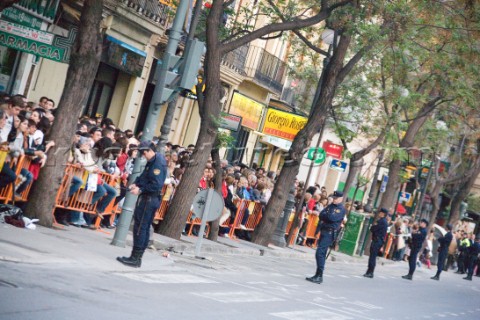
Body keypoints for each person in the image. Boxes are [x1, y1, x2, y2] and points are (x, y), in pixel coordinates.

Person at [117, 140, 167, 268]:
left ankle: (136, 258)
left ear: (147, 151)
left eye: (143, 153)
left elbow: (156, 185)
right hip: (149, 198)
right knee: (142, 227)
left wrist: (140, 189)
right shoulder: (154, 160)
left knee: (140, 228)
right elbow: (145, 176)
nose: (143, 156)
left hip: (149, 199)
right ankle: (136, 257)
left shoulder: (157, 163)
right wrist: (137, 183)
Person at [306, 190, 346, 284]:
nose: (334, 200)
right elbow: (321, 214)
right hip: (324, 231)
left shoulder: (341, 209)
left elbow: (332, 218)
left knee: (320, 253)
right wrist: (327, 215)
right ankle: (318, 274)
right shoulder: (330, 206)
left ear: (341, 199)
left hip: (330, 232)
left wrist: (326, 216)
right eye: (334, 198)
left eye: (336, 198)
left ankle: (319, 275)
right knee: (321, 253)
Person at [363, 208, 389, 278]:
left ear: (383, 214)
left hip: (377, 240)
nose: (379, 214)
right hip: (378, 240)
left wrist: (373, 227)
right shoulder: (384, 221)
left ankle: (370, 272)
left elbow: (373, 229)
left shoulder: (381, 221)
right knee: (372, 256)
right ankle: (369, 271)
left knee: (372, 257)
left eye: (380, 212)